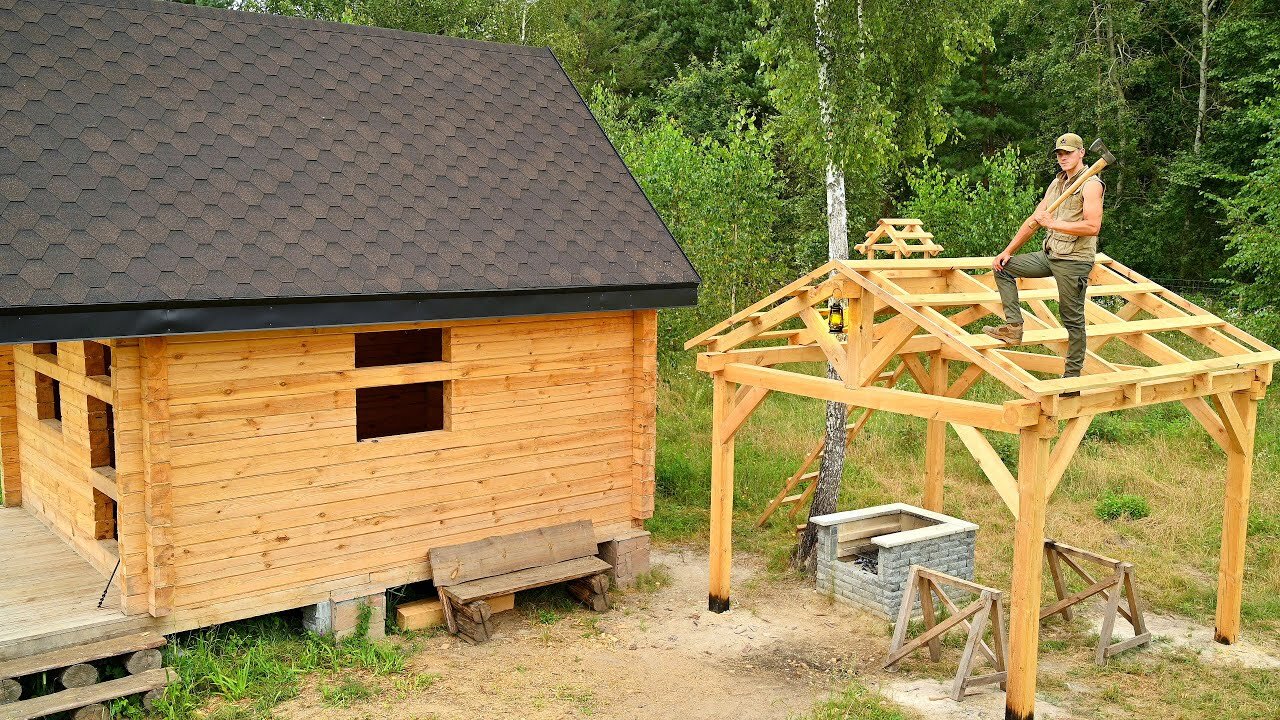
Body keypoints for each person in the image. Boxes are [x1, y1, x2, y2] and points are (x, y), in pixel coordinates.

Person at [983, 132, 1104, 387]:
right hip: (1050, 254)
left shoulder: (1091, 184)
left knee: (1071, 319)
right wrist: (1007, 251)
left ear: (1081, 153)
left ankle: (1071, 379)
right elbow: (1035, 221)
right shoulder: (1057, 183)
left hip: (1074, 260)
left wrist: (1054, 224)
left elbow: (1093, 226)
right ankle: (1014, 327)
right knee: (1004, 268)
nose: (1063, 158)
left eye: (1068, 153)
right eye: (1059, 154)